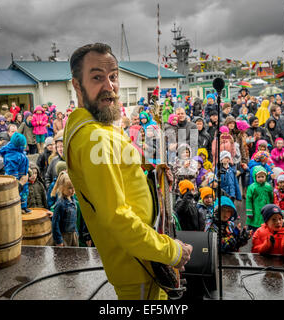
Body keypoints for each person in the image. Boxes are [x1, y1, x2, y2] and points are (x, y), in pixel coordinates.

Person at [64, 43, 192, 300]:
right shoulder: (92, 138)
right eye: (97, 77)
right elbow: (117, 218)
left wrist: (151, 172)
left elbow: (119, 165)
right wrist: (172, 252)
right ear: (77, 85)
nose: (109, 86)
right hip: (140, 268)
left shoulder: (98, 127)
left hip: (143, 262)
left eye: (113, 77)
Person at [0, 132, 30, 213]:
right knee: (17, 196)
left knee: (24, 194)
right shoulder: (12, 157)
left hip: (23, 179)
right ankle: (19, 208)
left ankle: (23, 207)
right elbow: (11, 174)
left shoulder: (18, 152)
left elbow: (23, 163)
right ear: (19, 146)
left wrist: (27, 170)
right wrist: (18, 184)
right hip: (18, 182)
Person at [51, 171, 79, 247]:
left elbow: (74, 220)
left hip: (73, 235)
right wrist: (59, 240)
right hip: (64, 237)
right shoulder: (60, 204)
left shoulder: (73, 201)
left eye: (73, 187)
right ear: (62, 188)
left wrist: (76, 234)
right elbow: (55, 224)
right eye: (69, 188)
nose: (72, 190)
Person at [246, 166, 273, 233]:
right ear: (255, 177)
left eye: (262, 177)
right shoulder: (252, 187)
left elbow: (271, 197)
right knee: (256, 226)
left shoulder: (268, 186)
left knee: (266, 224)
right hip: (255, 210)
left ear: (265, 177)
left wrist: (272, 208)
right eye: (258, 177)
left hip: (266, 208)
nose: (261, 179)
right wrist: (249, 211)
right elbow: (249, 200)